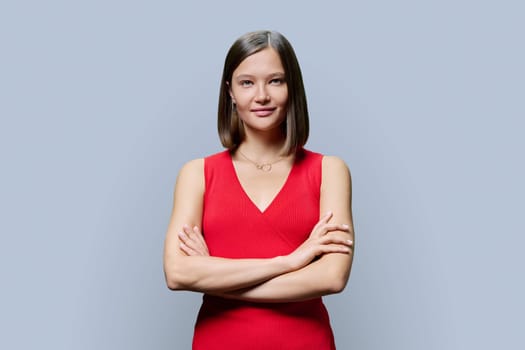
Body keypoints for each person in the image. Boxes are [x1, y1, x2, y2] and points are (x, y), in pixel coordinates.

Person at [163, 30, 355, 349]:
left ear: (292, 87)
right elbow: (177, 273)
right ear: (230, 92)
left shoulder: (329, 171)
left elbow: (332, 277)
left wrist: (214, 275)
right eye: (247, 82)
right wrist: (289, 262)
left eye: (275, 81)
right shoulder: (197, 174)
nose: (261, 95)